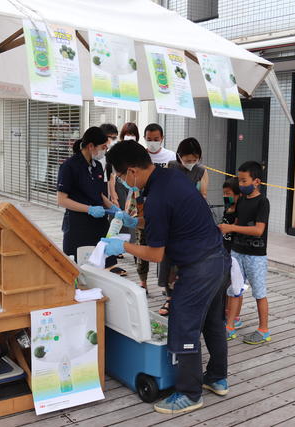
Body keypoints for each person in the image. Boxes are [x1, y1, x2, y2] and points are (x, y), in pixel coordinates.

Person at [103, 140, 230, 414]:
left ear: (133, 171)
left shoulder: (158, 196)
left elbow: (156, 254)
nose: (124, 182)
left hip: (198, 268)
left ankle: (189, 393)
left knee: (183, 324)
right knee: (212, 322)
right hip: (218, 258)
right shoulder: (170, 176)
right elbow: (172, 219)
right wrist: (136, 223)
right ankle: (217, 377)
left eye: (123, 176)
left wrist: (121, 246)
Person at [219, 161, 270, 345]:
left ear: (256, 181)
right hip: (237, 252)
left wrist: (232, 227)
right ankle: (230, 326)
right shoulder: (241, 200)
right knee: (234, 290)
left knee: (259, 292)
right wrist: (230, 212)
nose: (241, 185)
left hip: (255, 255)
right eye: (239, 181)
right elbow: (237, 221)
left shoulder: (263, 202)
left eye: (244, 180)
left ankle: (263, 329)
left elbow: (258, 230)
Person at [157, 137, 209, 316]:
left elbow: (203, 195)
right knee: (168, 260)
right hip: (171, 221)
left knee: (187, 262)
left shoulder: (201, 171)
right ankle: (169, 298)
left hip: (191, 223)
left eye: (195, 160)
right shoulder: (170, 166)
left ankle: (184, 298)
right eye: (188, 160)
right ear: (180, 156)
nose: (191, 163)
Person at [56, 126, 120, 271]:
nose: (105, 151)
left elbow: (98, 193)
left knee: (105, 263)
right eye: (103, 147)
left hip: (98, 223)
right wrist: (89, 209)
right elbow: (62, 200)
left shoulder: (97, 166)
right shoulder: (69, 166)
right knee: (77, 266)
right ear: (91, 146)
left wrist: (113, 207)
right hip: (78, 224)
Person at [136, 123, 177, 294]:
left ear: (162, 139)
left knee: (166, 251)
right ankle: (143, 282)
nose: (152, 142)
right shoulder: (140, 156)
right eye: (149, 139)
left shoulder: (171, 157)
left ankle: (167, 286)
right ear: (144, 138)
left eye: (156, 139)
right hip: (143, 207)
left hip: (165, 209)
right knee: (143, 244)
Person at [221, 178, 244, 336]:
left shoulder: (240, 210)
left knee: (236, 286)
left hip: (235, 252)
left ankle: (235, 316)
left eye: (228, 193)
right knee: (225, 286)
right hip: (224, 250)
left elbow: (237, 229)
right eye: (224, 193)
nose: (225, 196)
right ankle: (227, 312)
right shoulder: (228, 208)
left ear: (238, 194)